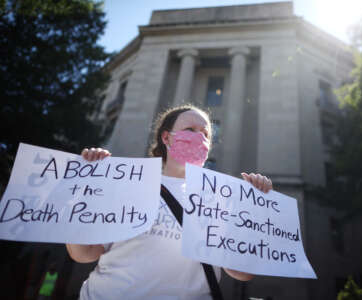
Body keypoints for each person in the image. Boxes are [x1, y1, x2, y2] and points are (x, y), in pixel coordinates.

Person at [66, 104, 273, 300]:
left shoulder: (222, 198)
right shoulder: (127, 182)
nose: (199, 137)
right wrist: (85, 188)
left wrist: (254, 208)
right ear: (167, 137)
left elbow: (241, 273)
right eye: (190, 129)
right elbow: (84, 253)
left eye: (206, 133)